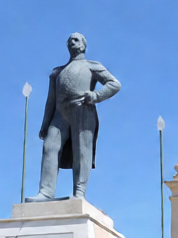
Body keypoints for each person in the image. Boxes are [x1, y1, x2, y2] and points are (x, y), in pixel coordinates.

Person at [25, 33, 121, 201]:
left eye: (76, 40)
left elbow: (114, 84)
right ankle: (46, 192)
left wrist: (96, 95)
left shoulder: (92, 66)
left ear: (83, 45)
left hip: (82, 110)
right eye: (69, 40)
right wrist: (45, 123)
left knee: (82, 152)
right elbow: (51, 100)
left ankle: (79, 193)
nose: (71, 42)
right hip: (60, 113)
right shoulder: (57, 72)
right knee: (49, 147)